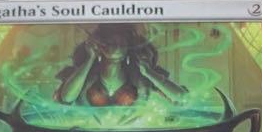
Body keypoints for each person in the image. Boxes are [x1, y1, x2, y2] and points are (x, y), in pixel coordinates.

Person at [55, 24, 186, 106]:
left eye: (121, 43)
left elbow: (181, 98)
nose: (116, 47)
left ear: (128, 47)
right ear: (101, 45)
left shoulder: (141, 74)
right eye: (110, 42)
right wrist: (90, 59)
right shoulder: (84, 73)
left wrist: (149, 73)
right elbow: (67, 98)